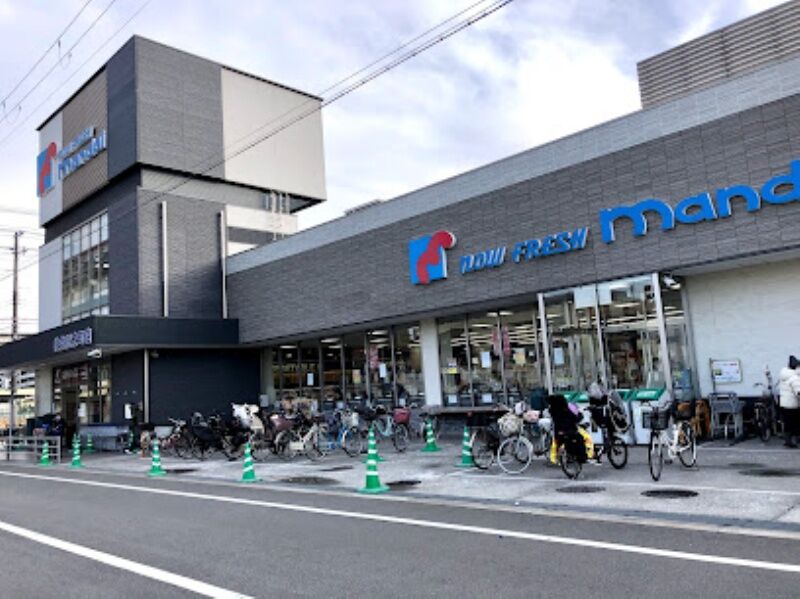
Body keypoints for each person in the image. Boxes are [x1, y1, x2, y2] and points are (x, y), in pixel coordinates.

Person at [778, 355, 800, 448]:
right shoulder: (794, 377)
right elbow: (798, 391)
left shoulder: (784, 376)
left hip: (784, 403)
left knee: (788, 423)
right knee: (795, 423)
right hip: (793, 404)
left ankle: (788, 441)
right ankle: (793, 441)